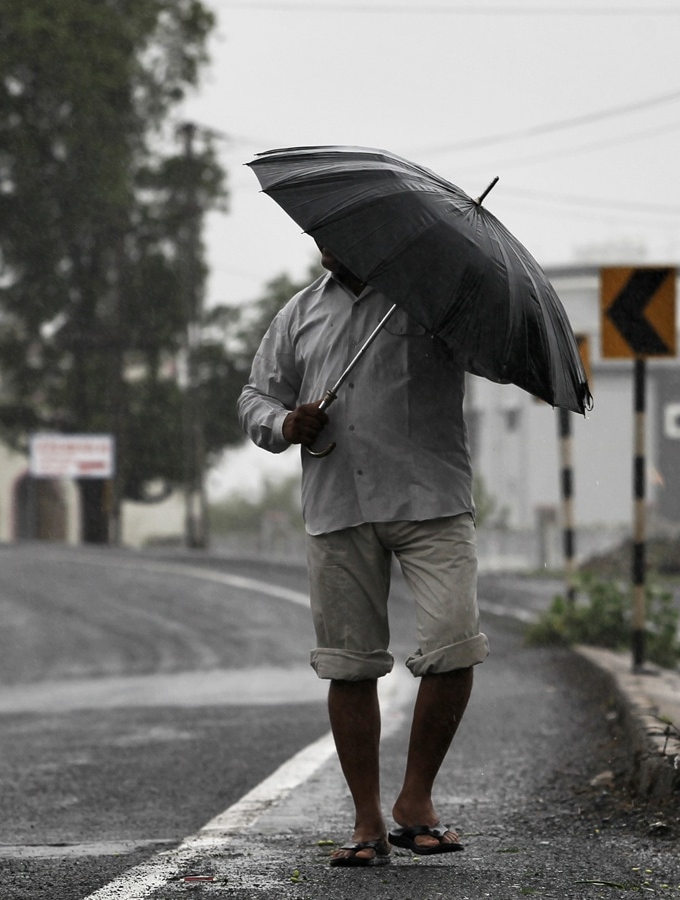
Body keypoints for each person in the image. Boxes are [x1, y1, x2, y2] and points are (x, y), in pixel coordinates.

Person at [238, 242, 489, 868]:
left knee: (456, 644)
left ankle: (416, 800)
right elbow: (255, 398)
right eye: (321, 233)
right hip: (338, 503)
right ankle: (366, 819)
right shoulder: (299, 314)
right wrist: (285, 424)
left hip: (432, 499)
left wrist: (461, 309)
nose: (327, 242)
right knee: (349, 664)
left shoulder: (429, 300)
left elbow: (489, 358)